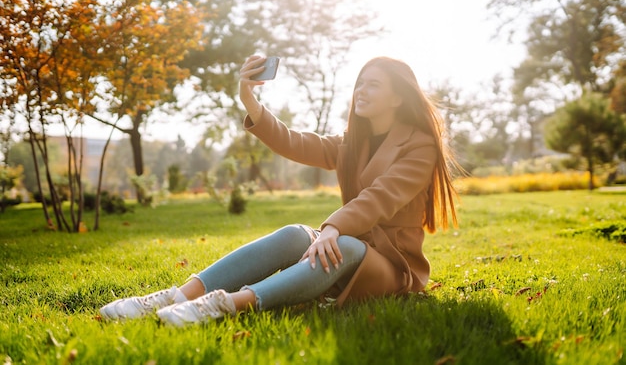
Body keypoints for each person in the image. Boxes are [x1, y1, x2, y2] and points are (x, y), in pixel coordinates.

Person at [100, 55, 459, 326]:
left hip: (392, 269)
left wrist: (332, 228)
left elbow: (382, 196)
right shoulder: (354, 142)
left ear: (398, 98)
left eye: (374, 85)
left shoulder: (420, 145)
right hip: (351, 249)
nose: (361, 91)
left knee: (342, 245)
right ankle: (176, 296)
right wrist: (251, 103)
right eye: (360, 83)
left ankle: (228, 304)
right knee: (293, 235)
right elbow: (299, 143)